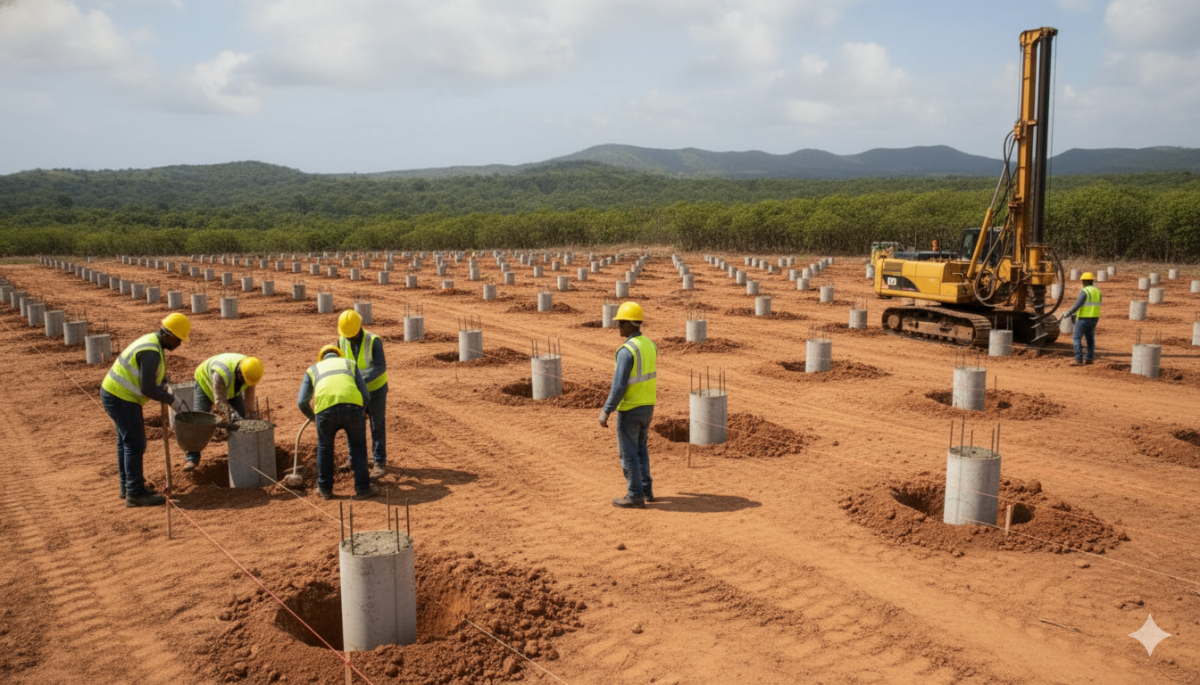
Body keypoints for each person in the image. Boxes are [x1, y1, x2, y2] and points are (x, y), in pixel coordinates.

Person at [100, 313, 191, 507]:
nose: (179, 344)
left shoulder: (154, 344)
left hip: (116, 395)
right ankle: (135, 494)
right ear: (168, 334)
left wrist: (164, 385)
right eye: (178, 339)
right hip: (121, 398)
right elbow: (147, 388)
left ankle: (128, 487)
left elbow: (154, 378)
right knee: (135, 443)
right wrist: (171, 399)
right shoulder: (151, 352)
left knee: (126, 442)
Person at [297, 345, 378, 500]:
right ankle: (363, 489)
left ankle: (325, 489)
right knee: (359, 447)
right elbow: (365, 395)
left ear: (321, 358)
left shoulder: (312, 369)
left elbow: (302, 401)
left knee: (325, 448)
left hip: (325, 412)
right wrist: (362, 410)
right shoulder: (349, 364)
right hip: (352, 408)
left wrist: (314, 418)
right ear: (339, 356)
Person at [598, 302, 657, 508]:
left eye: (621, 322)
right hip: (648, 406)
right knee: (641, 448)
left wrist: (606, 410)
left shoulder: (626, 351)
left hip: (630, 408)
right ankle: (646, 489)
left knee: (629, 453)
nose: (618, 327)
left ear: (632, 323)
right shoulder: (650, 344)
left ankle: (634, 495)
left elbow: (619, 385)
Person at [183, 354, 264, 471]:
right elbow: (220, 402)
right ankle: (192, 457)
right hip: (205, 383)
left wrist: (248, 418)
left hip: (231, 388)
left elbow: (249, 397)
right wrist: (232, 415)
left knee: (241, 419)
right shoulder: (221, 373)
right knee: (199, 421)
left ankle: (243, 453)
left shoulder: (251, 370)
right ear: (240, 374)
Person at [336, 309, 389, 479]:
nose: (349, 338)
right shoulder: (341, 340)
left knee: (376, 425)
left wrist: (361, 378)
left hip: (376, 391)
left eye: (352, 335)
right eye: (347, 335)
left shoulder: (373, 341)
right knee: (353, 426)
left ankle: (379, 462)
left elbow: (381, 366)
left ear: (360, 327)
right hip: (355, 392)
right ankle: (354, 460)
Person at [1061, 272, 1102, 365]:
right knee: (1090, 339)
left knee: (1076, 338)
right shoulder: (1097, 291)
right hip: (1094, 318)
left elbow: (1077, 305)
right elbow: (1093, 305)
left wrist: (1068, 313)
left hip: (1084, 319)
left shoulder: (1085, 291)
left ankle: (1079, 358)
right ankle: (1090, 358)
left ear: (1084, 281)